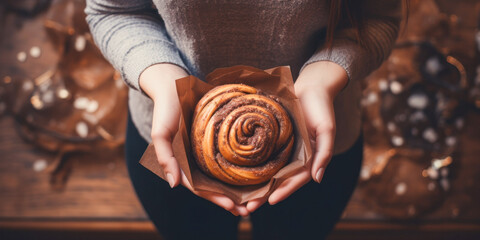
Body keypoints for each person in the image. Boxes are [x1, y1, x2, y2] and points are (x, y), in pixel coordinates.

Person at [86, 0, 403, 239]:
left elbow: (377, 16)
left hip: (316, 139)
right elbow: (114, 10)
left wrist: (325, 75)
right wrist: (161, 77)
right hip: (172, 140)